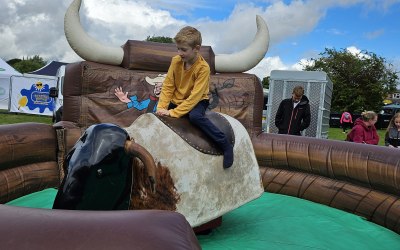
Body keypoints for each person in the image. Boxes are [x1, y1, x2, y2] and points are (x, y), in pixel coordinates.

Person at [155, 26, 234, 169]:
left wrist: (173, 112)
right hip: (178, 98)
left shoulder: (203, 68)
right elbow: (168, 85)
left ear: (196, 48)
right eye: (178, 49)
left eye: (183, 50)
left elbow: (195, 96)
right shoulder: (176, 61)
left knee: (195, 117)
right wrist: (162, 107)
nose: (180, 53)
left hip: (198, 100)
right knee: (156, 113)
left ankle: (225, 144)